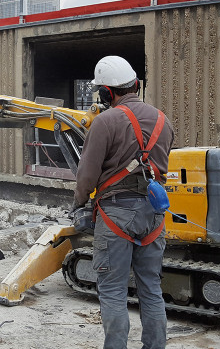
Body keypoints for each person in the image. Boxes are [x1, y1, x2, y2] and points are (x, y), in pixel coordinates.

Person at [73, 55, 174, 349]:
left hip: (116, 214)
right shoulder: (163, 120)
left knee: (113, 291)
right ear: (135, 85)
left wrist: (79, 204)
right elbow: (161, 167)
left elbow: (86, 176)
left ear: (106, 93)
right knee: (151, 288)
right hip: (153, 215)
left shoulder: (105, 122)